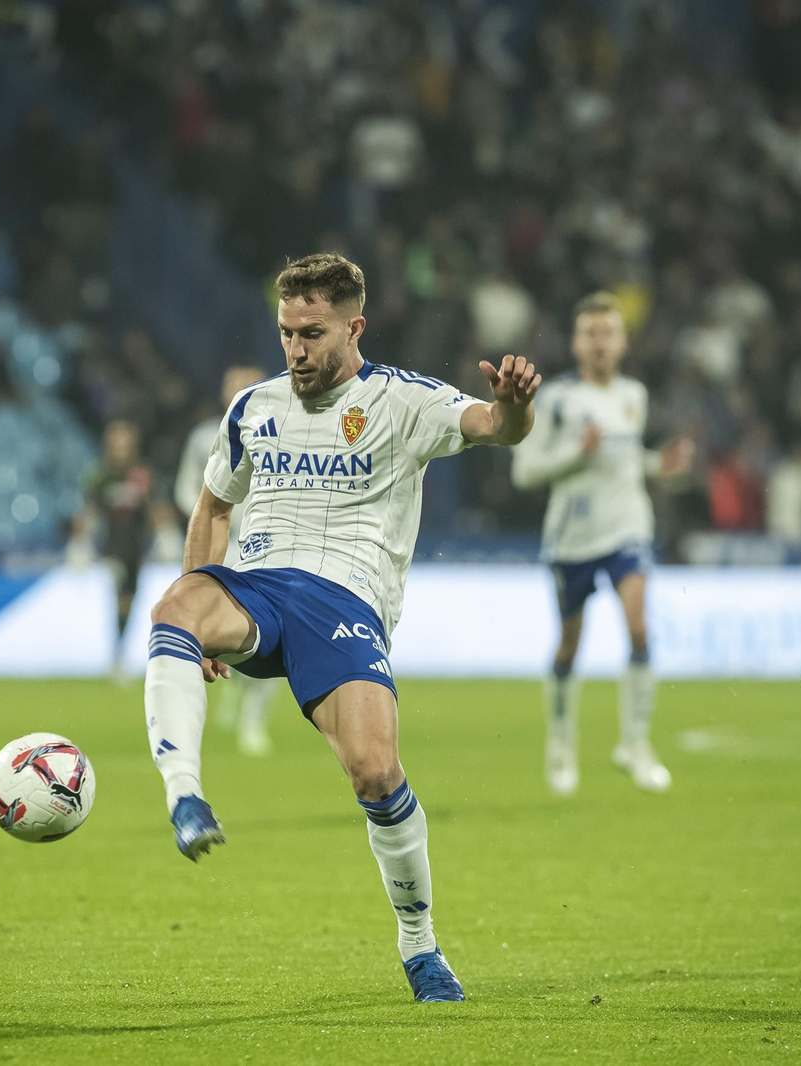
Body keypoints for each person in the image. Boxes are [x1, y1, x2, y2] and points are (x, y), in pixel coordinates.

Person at [143, 252, 542, 1002]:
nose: (295, 350)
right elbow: (214, 505)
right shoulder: (253, 408)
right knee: (172, 607)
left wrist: (515, 403)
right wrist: (200, 594)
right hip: (258, 588)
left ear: (354, 326)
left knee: (375, 772)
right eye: (287, 332)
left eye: (313, 333)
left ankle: (421, 947)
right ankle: (185, 796)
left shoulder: (404, 400)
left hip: (346, 605)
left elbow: (496, 427)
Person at [511, 292, 693, 796]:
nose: (599, 343)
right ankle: (561, 745)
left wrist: (663, 467)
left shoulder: (634, 394)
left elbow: (629, 459)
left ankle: (635, 744)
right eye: (590, 333)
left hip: (627, 529)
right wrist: (576, 451)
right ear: (575, 342)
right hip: (572, 537)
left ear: (622, 341)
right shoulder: (556, 400)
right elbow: (525, 471)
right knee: (570, 645)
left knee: (638, 627)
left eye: (608, 333)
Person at [175, 365, 282, 755]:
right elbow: (187, 490)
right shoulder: (204, 437)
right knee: (219, 636)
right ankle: (231, 691)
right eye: (233, 385)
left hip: (268, 548)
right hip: (223, 543)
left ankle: (254, 723)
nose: (240, 392)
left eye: (248, 385)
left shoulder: (280, 431)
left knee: (272, 640)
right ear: (223, 392)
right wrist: (209, 517)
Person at [77, 420, 164, 674]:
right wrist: (81, 542)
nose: (121, 448)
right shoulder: (101, 474)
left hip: (135, 547)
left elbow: (154, 507)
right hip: (109, 545)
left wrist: (164, 534)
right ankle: (111, 653)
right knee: (115, 588)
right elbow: (89, 511)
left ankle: (119, 653)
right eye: (117, 443)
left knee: (128, 599)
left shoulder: (142, 473)